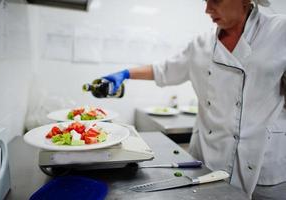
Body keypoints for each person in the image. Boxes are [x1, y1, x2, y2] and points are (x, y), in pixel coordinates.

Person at [101, 0, 286, 199]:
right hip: (209, 154)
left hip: (262, 158)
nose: (207, 9)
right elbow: (163, 70)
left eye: (215, 0)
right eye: (205, 1)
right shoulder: (201, 44)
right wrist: (126, 73)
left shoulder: (279, 31)